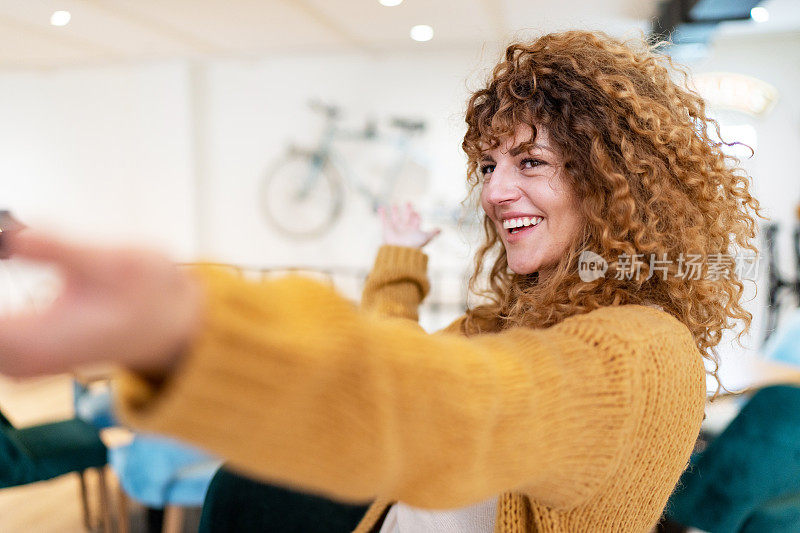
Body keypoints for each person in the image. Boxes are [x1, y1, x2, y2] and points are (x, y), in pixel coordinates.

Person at [0, 30, 762, 532]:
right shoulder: (527, 314)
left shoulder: (641, 354)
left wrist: (189, 327)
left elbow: (453, 409)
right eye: (490, 165)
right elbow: (415, 375)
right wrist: (400, 261)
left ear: (612, 182)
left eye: (531, 162)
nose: (495, 191)